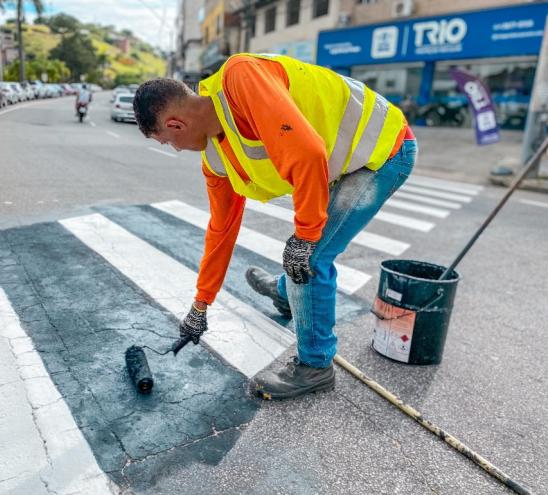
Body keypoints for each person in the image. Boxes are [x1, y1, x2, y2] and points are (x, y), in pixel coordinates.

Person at [132, 53, 417, 400]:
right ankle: (287, 295)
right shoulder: (217, 160)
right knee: (303, 256)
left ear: (176, 124)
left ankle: (315, 366)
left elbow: (309, 153)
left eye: (167, 141)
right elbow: (221, 231)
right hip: (342, 162)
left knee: (309, 258)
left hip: (384, 150)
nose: (174, 148)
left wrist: (305, 236)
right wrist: (201, 304)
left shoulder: (240, 78)